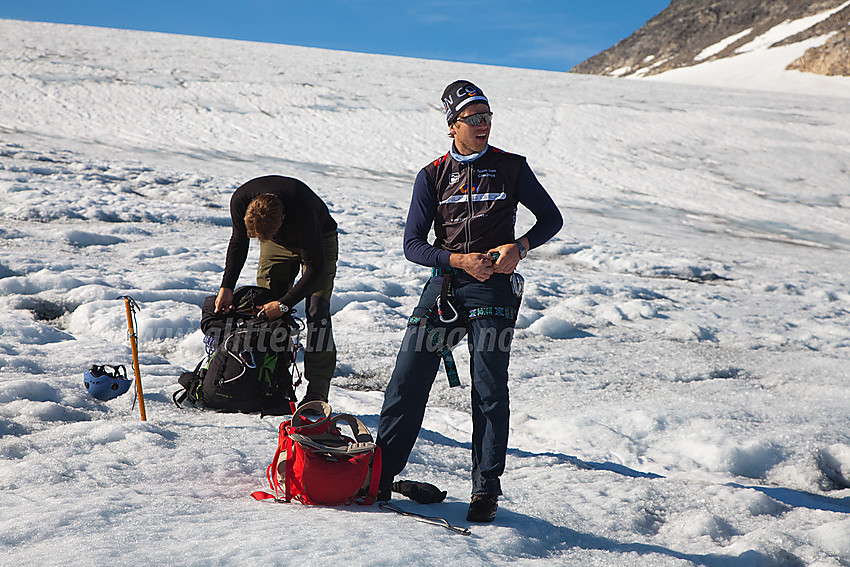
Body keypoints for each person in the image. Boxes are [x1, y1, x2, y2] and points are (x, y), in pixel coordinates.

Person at [376, 81, 563, 522]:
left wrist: (520, 247)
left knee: (489, 385)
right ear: (452, 125)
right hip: (445, 285)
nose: (483, 125)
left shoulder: (512, 167)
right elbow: (412, 245)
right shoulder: (432, 174)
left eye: (488, 116)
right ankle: (379, 477)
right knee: (407, 378)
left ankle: (485, 490)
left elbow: (551, 219)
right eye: (473, 118)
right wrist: (456, 259)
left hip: (494, 289)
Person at [215, 175, 338, 406]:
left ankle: (317, 391)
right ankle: (269, 379)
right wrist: (227, 286)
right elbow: (238, 242)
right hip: (276, 241)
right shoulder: (241, 200)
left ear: (282, 217)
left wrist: (284, 304)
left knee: (317, 310)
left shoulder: (301, 207)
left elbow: (315, 268)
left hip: (318, 240)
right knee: (264, 307)